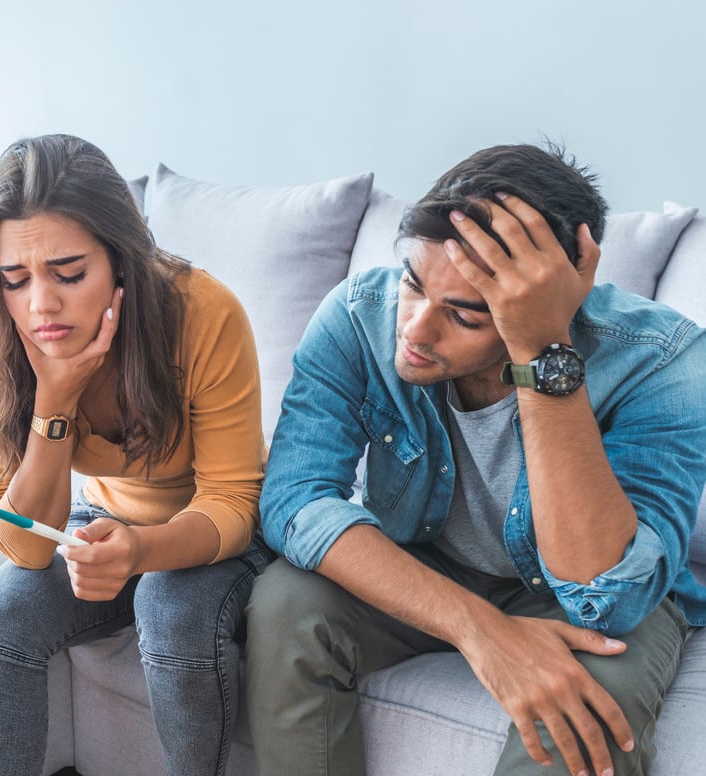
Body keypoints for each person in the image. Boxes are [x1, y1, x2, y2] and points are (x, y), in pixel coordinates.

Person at [246, 142, 706, 776]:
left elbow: (606, 594)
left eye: (463, 315)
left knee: (584, 716)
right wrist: (482, 631)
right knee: (287, 601)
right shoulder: (359, 315)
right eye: (413, 285)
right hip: (432, 562)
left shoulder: (663, 361)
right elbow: (294, 500)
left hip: (585, 593)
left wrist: (544, 353)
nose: (414, 328)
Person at [0, 133, 272, 776]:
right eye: (15, 279)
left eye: (69, 274)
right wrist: (53, 402)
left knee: (168, 603)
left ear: (122, 262)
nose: (41, 304)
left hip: (222, 533)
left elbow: (234, 500)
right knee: (6, 610)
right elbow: (21, 542)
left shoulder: (203, 314)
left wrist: (141, 553)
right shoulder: (4, 337)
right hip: (105, 519)